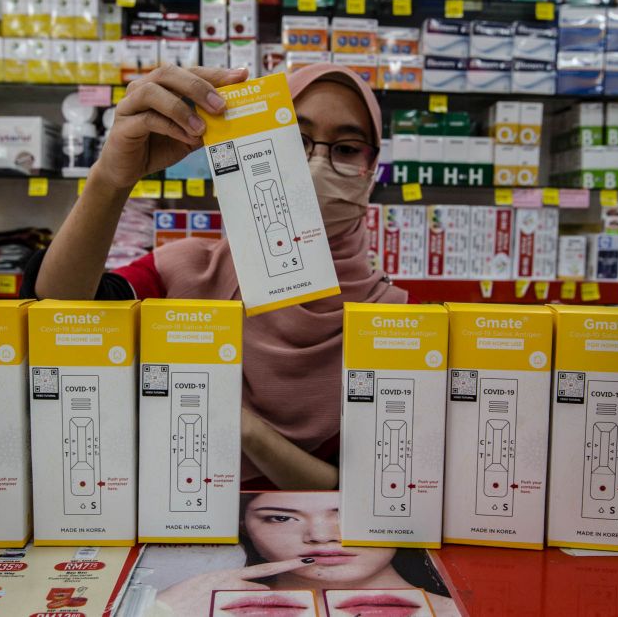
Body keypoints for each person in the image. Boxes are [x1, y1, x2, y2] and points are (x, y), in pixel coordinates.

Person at [22, 63, 413, 490]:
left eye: (347, 148)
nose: (316, 164)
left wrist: (243, 428)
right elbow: (58, 316)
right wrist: (111, 179)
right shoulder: (186, 271)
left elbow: (374, 493)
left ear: (372, 167)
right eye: (294, 139)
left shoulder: (391, 325)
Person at [152, 491, 459, 616]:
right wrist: (159, 611)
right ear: (243, 527)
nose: (322, 537)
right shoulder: (182, 605)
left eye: (350, 513)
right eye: (281, 518)